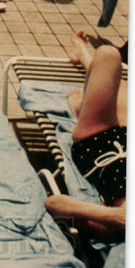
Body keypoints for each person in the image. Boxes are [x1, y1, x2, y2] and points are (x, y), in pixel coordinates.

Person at [44, 33, 126, 239]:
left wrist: (110, 214)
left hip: (99, 139)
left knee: (108, 55)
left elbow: (54, 204)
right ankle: (81, 56)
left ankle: (80, 108)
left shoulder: (118, 225)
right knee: (120, 83)